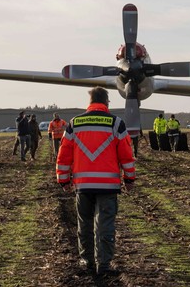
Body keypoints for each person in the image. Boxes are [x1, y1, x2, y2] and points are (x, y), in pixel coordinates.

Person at [57, 87, 136, 277]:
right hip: (108, 186)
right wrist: (129, 178)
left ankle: (87, 261)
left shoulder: (74, 124)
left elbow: (63, 155)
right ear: (106, 102)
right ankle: (104, 264)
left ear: (90, 102)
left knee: (84, 223)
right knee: (105, 224)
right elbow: (126, 155)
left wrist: (64, 180)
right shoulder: (116, 124)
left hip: (83, 186)